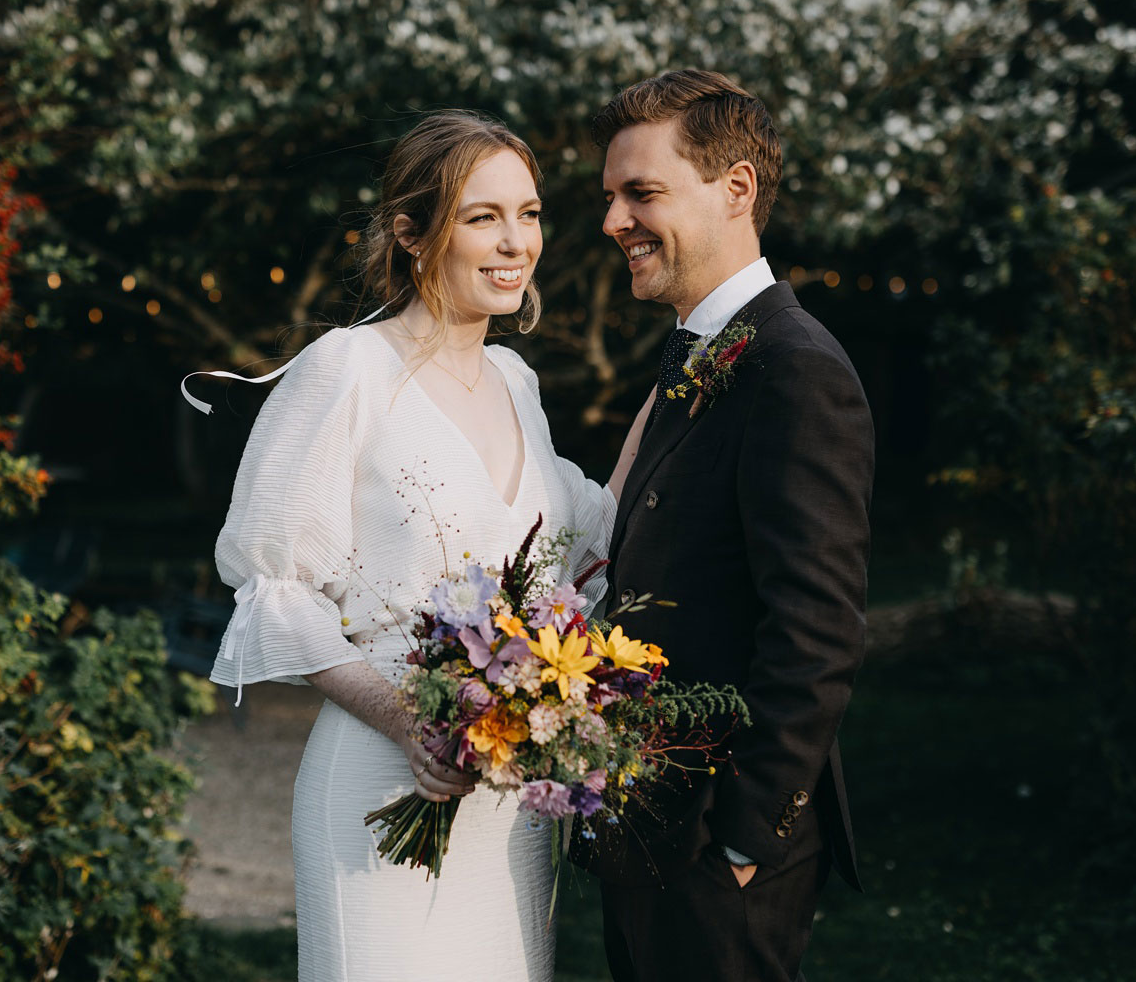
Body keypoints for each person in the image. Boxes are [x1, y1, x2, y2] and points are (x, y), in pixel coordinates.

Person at [204, 111, 636, 982]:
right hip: (378, 780)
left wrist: (689, 379)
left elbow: (590, 532)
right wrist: (414, 724)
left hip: (508, 804)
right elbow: (276, 585)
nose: (516, 242)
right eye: (483, 217)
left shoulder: (518, 381)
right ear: (410, 233)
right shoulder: (345, 369)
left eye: (531, 212)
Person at [571, 70, 875, 982]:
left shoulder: (795, 368)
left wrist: (745, 837)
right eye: (610, 198)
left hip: (721, 855)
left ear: (735, 188)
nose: (613, 221)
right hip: (647, 832)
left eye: (642, 194)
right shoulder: (697, 355)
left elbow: (817, 630)